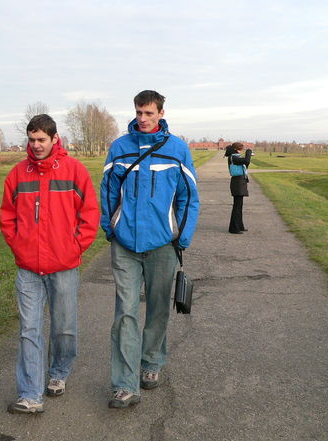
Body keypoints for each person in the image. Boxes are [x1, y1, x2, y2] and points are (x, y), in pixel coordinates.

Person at [100, 90, 200, 408]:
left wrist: (180, 237)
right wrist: (111, 228)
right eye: (138, 113)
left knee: (157, 310)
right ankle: (124, 384)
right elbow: (108, 192)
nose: (142, 118)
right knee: (125, 313)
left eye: (148, 113)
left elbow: (189, 197)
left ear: (161, 113)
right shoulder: (119, 148)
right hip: (126, 245)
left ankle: (152, 362)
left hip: (162, 246)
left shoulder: (177, 149)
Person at [0, 114, 100, 414]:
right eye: (32, 140)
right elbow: (7, 217)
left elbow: (90, 214)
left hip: (64, 265)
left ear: (55, 139)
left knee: (64, 327)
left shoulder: (74, 171)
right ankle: (30, 394)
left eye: (41, 140)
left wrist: (73, 248)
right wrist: (19, 246)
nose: (36, 145)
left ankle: (59, 372)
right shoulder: (18, 174)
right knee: (29, 328)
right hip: (28, 268)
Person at [225, 142, 252, 234]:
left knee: (239, 206)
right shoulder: (234, 157)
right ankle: (233, 228)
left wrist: (247, 156)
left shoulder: (235, 157)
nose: (242, 151)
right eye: (241, 149)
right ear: (237, 149)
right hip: (237, 183)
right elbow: (247, 160)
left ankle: (239, 226)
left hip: (240, 183)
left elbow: (245, 164)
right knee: (237, 207)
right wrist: (249, 152)